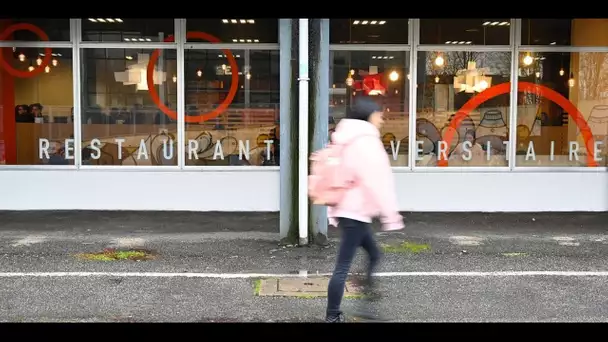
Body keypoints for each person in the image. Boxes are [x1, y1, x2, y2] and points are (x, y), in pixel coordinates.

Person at [325, 97, 404, 323]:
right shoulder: (366, 141)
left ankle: (365, 305)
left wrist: (334, 211)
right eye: (379, 114)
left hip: (348, 210)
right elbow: (378, 181)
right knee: (343, 266)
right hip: (356, 212)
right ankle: (333, 315)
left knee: (374, 254)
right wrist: (391, 215)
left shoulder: (346, 138)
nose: (382, 118)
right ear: (369, 116)